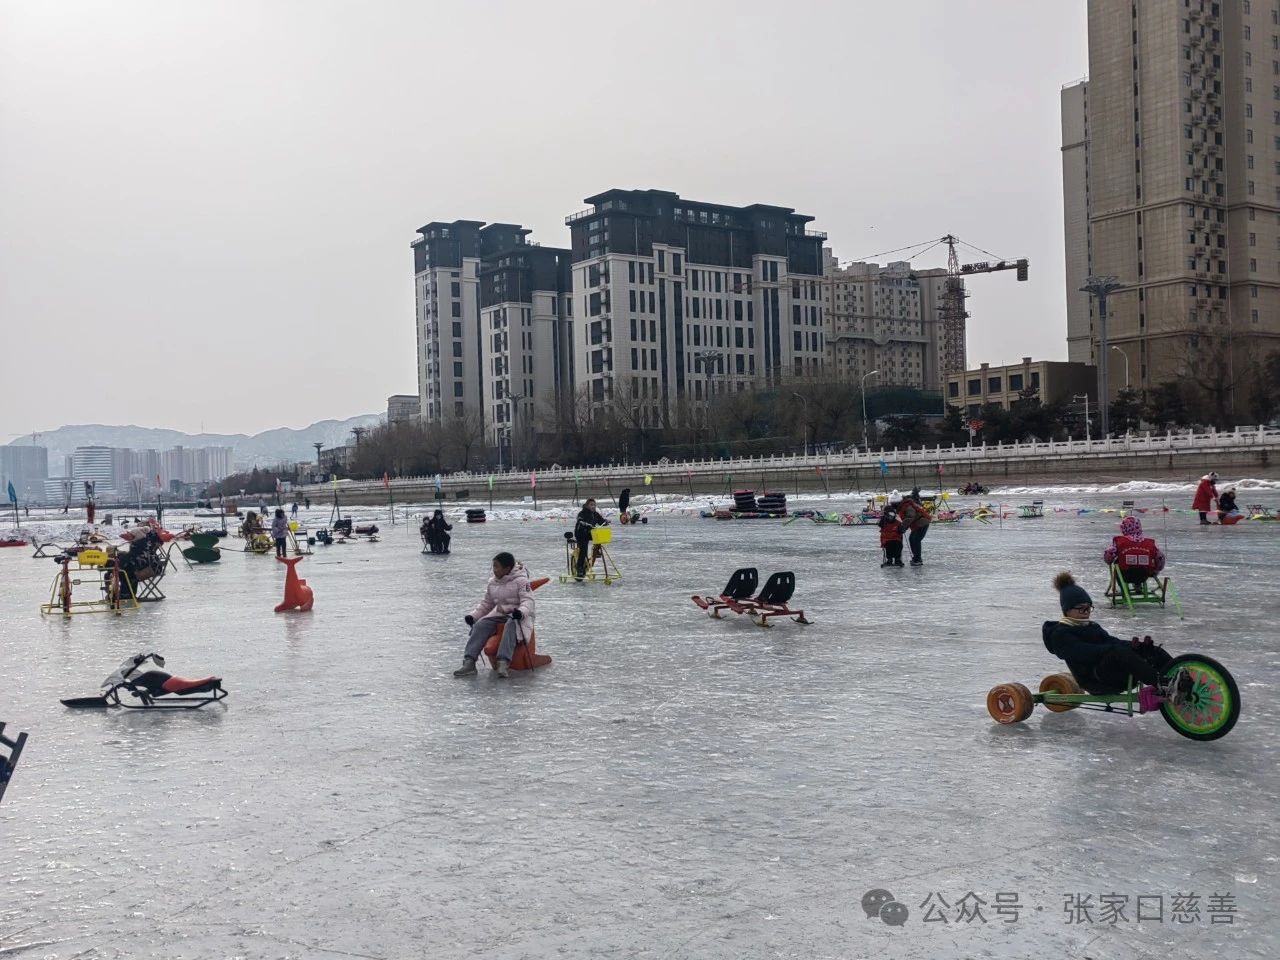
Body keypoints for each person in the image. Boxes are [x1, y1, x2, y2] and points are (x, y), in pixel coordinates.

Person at [1042, 572, 1189, 703]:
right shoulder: (1060, 634)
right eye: (1081, 608)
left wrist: (1135, 646)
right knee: (1118, 653)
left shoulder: (1092, 626)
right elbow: (1084, 652)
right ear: (1067, 610)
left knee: (1150, 650)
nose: (1086, 612)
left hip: (1112, 673)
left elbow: (1111, 641)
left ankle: (1184, 680)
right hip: (1095, 680)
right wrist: (1115, 649)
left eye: (1088, 607)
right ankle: (1164, 685)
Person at [453, 552, 534, 679]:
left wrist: (521, 612)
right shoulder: (493, 582)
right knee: (480, 625)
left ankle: (503, 662)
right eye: (493, 566)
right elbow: (487, 604)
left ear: (507, 568)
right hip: (500, 614)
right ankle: (469, 662)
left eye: (497, 566)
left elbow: (528, 601)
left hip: (518, 616)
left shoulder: (522, 581)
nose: (494, 570)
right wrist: (473, 616)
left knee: (511, 624)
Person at [1103, 516, 1166, 586]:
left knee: (1118, 566)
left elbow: (1109, 554)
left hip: (1125, 574)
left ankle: (1122, 588)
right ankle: (1138, 585)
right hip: (1144, 575)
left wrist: (1109, 561)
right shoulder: (1149, 543)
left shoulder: (1120, 542)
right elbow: (1160, 558)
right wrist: (1156, 569)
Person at [573, 498, 608, 580]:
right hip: (581, 533)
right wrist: (585, 524)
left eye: (594, 505)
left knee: (599, 538)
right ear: (587, 505)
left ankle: (596, 551)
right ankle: (579, 568)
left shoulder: (595, 514)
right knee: (583, 550)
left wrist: (605, 522)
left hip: (590, 532)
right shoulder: (582, 513)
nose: (593, 506)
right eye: (591, 505)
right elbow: (579, 520)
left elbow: (601, 521)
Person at [897, 489, 931, 566]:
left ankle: (918, 559)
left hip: (922, 522)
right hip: (918, 523)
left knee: (916, 540)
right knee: (912, 539)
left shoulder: (906, 506)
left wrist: (903, 527)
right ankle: (916, 558)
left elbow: (910, 517)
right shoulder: (904, 505)